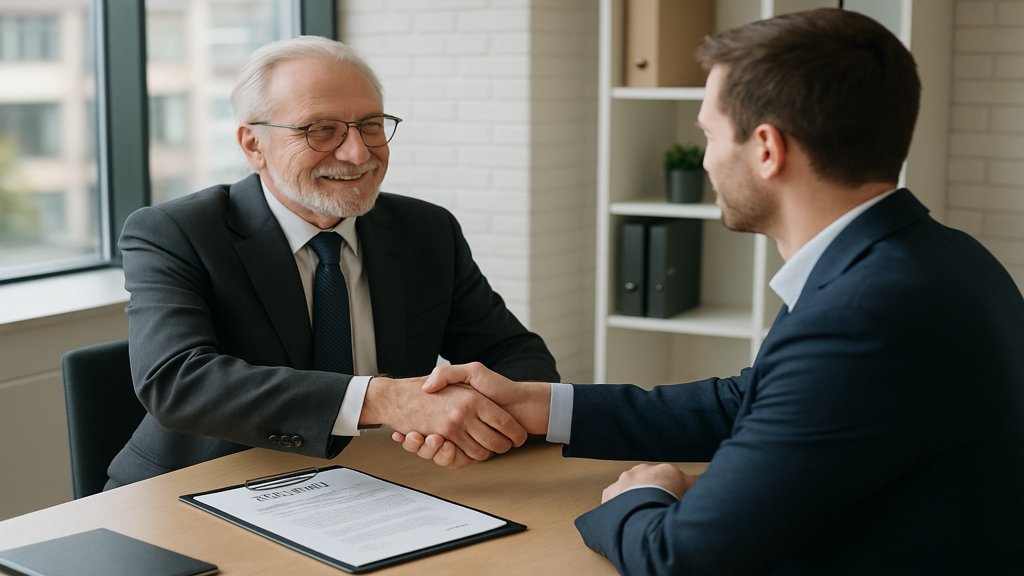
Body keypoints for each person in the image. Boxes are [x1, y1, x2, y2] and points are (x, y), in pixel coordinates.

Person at [394, 8, 1024, 574]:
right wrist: (542, 406)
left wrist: (646, 492)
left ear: (767, 149)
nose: (704, 161)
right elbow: (753, 401)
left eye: (710, 135)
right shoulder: (938, 257)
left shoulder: (863, 313)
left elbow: (681, 560)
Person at [107, 35, 559, 489]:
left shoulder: (426, 230)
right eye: (320, 130)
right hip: (204, 486)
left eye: (371, 125)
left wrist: (478, 421)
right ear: (253, 145)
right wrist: (383, 399)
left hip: (381, 481)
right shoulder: (177, 231)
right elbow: (177, 380)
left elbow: (515, 355)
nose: (358, 153)